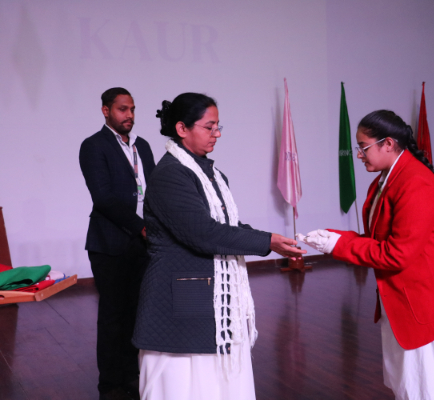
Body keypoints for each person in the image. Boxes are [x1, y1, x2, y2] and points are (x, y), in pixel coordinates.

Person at [298, 110, 434, 400]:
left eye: (363, 147)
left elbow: (397, 254)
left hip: (428, 304)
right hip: (407, 300)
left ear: (388, 143)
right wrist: (334, 237)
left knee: (427, 392)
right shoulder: (385, 179)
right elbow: (378, 240)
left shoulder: (415, 182)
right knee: (409, 389)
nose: (358, 155)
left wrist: (338, 245)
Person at [132, 92, 306, 400]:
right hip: (181, 293)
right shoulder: (170, 174)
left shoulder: (211, 173)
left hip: (205, 289)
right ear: (182, 128)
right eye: (209, 127)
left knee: (217, 381)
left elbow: (228, 226)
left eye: (218, 126)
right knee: (187, 383)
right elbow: (203, 234)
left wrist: (271, 239)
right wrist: (266, 242)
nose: (217, 134)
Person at [80, 87, 156, 400]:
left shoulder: (143, 146)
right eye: (123, 109)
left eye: (132, 109)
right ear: (106, 110)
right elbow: (104, 198)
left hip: (144, 244)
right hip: (110, 243)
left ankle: (131, 376)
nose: (129, 115)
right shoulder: (94, 146)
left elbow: (153, 191)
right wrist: (141, 227)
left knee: (136, 313)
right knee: (113, 316)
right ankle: (110, 385)